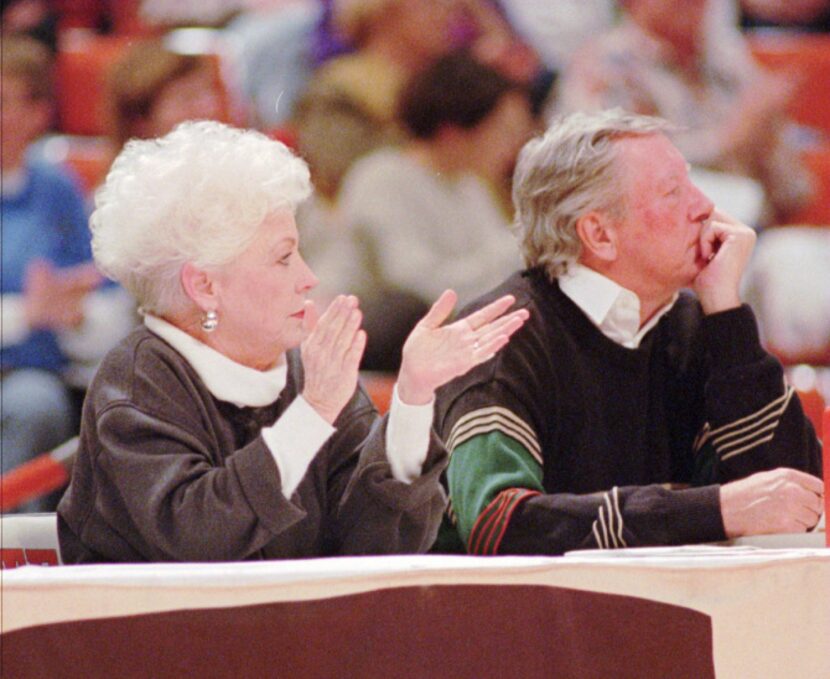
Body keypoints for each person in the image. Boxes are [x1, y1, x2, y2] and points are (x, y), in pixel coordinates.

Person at [57, 120, 528, 563]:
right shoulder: (140, 379)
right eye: (283, 258)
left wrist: (413, 400)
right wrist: (314, 413)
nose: (308, 278)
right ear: (204, 286)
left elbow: (377, 546)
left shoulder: (306, 372)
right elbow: (197, 537)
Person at [434, 109, 823, 556]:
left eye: (691, 183)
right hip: (499, 620)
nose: (705, 207)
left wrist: (727, 314)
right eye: (673, 192)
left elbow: (791, 506)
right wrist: (713, 510)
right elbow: (499, 525)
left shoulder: (696, 326)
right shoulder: (497, 339)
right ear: (599, 234)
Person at [326, 51, 532, 369]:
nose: (512, 146)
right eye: (502, 130)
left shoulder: (469, 184)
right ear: (452, 133)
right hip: (374, 344)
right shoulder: (382, 177)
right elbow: (420, 288)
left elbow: (500, 275)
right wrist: (523, 245)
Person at [557, 0, 815, 224]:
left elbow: (795, 192)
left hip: (749, 231)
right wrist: (733, 136)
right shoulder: (605, 66)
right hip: (651, 246)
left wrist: (765, 135)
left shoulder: (727, 60)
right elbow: (617, 179)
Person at [1, 35, 101, 503]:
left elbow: (94, 291)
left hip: (37, 372)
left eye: (8, 102)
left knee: (36, 402)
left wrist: (76, 312)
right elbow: (34, 309)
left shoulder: (57, 189)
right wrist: (25, 315)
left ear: (40, 114)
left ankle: (18, 542)